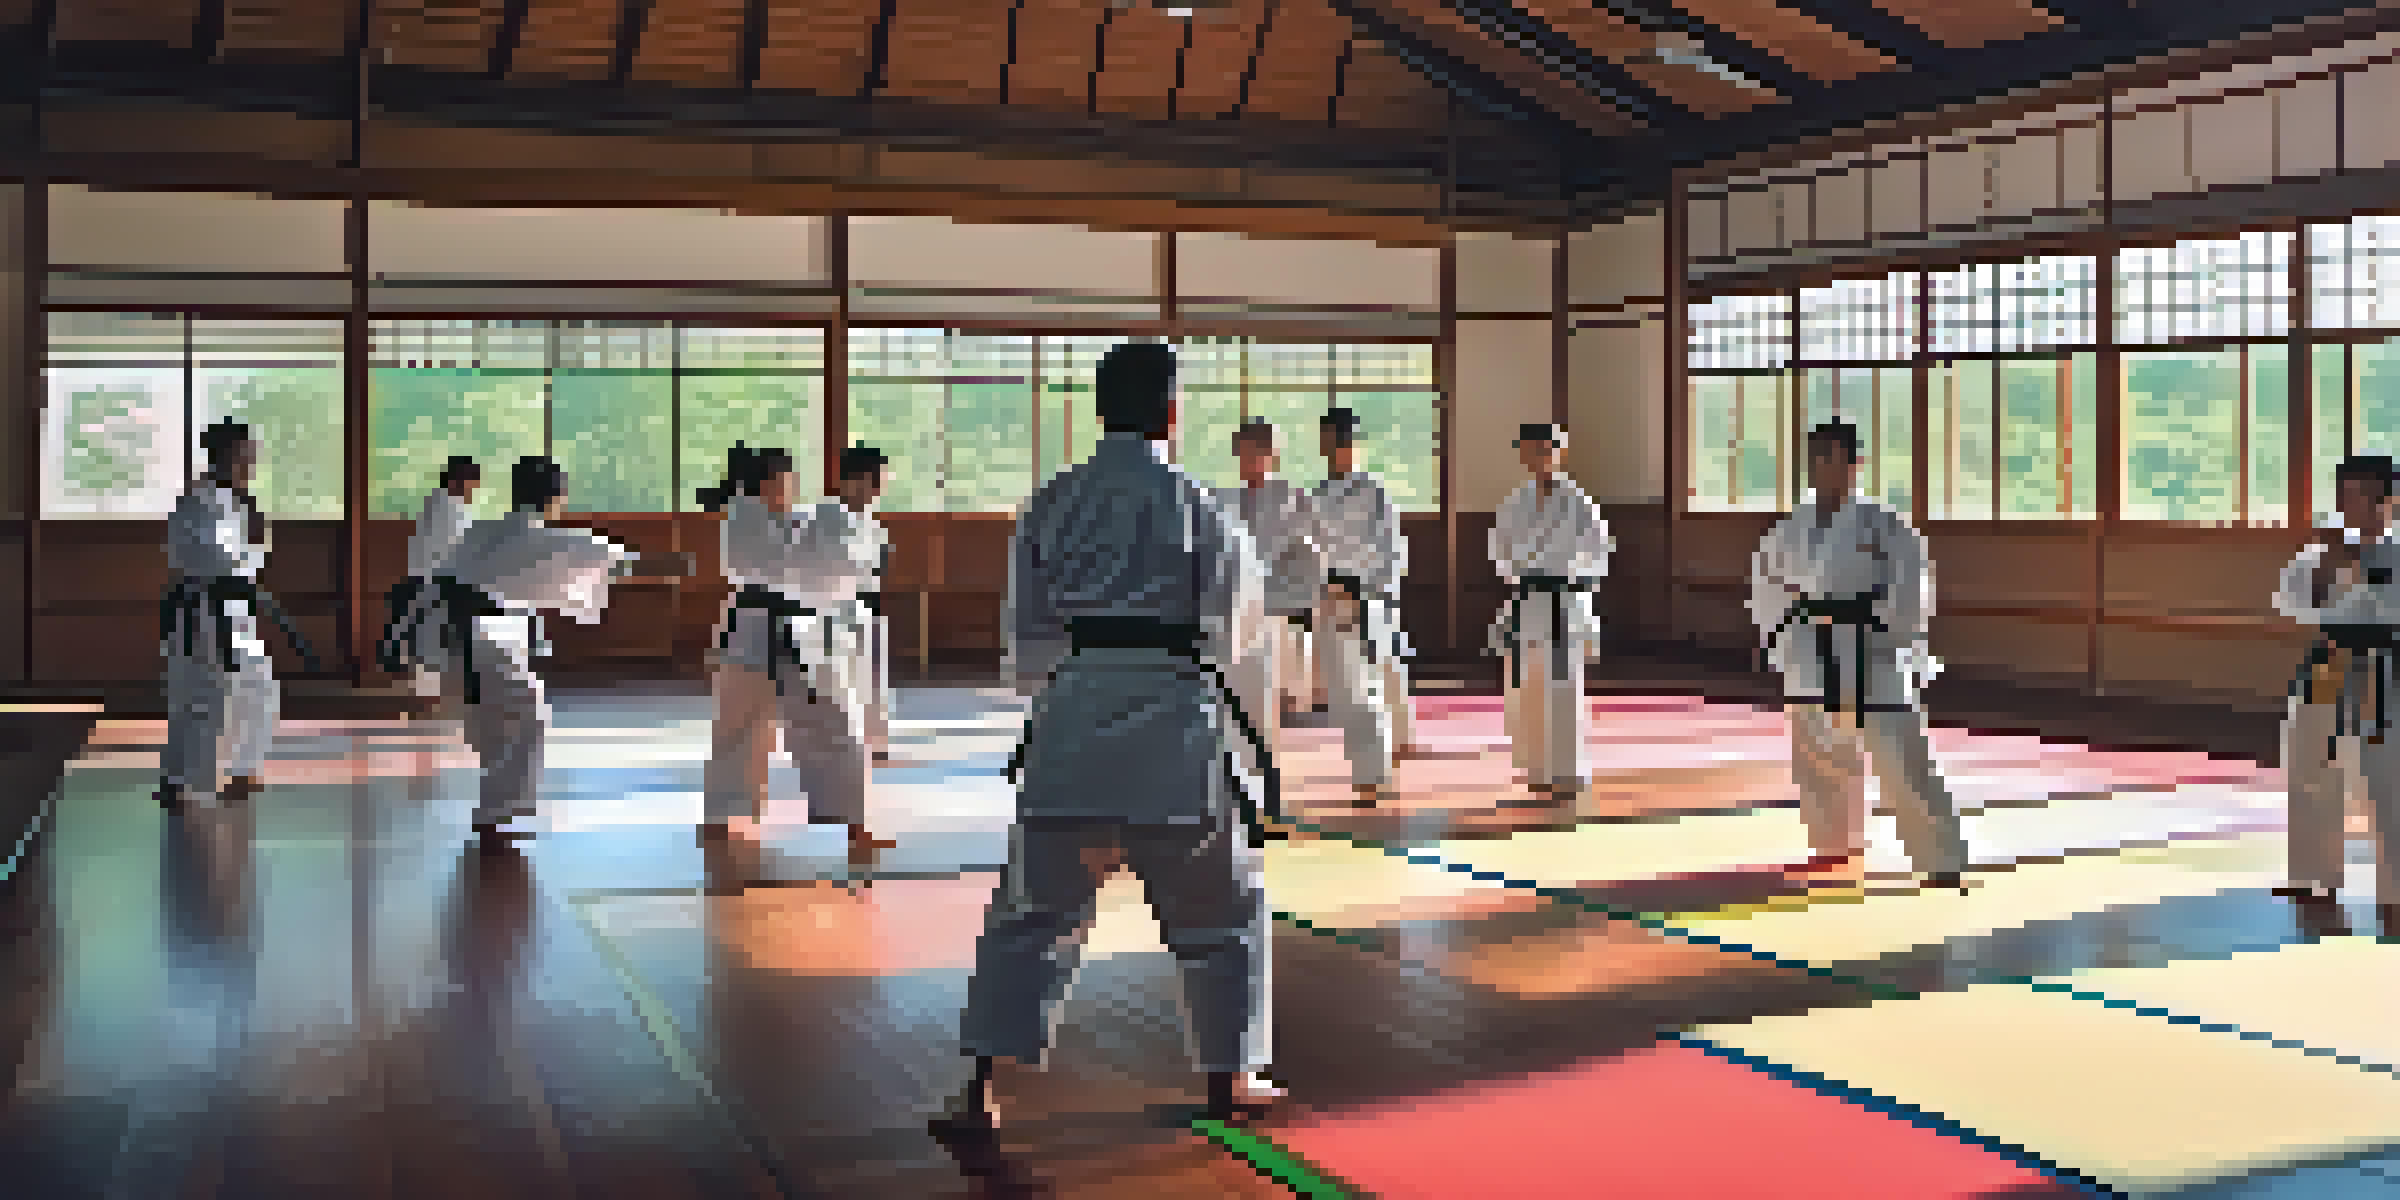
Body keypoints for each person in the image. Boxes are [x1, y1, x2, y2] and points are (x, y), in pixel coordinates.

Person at [934, 342, 1281, 1167]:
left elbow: (1026, 641)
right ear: (1171, 412)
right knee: (1221, 917)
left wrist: (1079, 676)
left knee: (1030, 919)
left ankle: (977, 1087)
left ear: (1100, 410)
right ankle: (1229, 1075)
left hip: (1075, 721)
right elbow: (1233, 629)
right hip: (1173, 727)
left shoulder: (1053, 502)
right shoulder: (1200, 505)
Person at [419, 456, 690, 843]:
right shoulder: (538, 536)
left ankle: (496, 808)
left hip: (451, 636)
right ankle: (496, 810)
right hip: (479, 637)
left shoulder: (484, 529)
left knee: (498, 720)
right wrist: (665, 563)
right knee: (528, 713)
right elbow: (602, 557)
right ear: (555, 496)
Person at [1749, 420, 1966, 891]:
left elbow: (1912, 587)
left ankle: (1940, 853)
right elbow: (1766, 586)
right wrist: (1783, 635)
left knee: (1900, 754)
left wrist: (1892, 633)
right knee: (1818, 749)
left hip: (1872, 646)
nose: (1823, 467)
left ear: (1854, 462)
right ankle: (1834, 838)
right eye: (1816, 458)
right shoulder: (1790, 527)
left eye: (1832, 457)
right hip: (1809, 644)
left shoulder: (1884, 522)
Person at [698, 442, 894, 863]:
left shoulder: (778, 518)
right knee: (808, 725)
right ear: (772, 481)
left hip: (771, 630)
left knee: (766, 726)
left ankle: (852, 826)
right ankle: (722, 817)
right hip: (772, 628)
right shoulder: (750, 517)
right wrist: (853, 540)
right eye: (789, 479)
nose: (793, 488)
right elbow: (811, 567)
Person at [2273, 454, 2400, 916]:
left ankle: (2395, 886)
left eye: (2361, 496)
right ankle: (2313, 875)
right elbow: (2291, 600)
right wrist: (2332, 561)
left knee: (2386, 779)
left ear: (2388, 501)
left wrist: (2359, 566)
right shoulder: (2325, 547)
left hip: (2385, 666)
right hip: (2329, 663)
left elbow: (2388, 605)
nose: (2350, 505)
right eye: (2344, 495)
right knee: (2311, 768)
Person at [159, 419, 287, 805]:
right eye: (245, 456)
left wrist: (255, 543)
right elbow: (209, 560)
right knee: (204, 695)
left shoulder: (239, 502)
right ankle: (184, 779)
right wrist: (248, 552)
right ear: (224, 456)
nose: (251, 464)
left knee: (257, 687)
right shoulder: (197, 500)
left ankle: (243, 769)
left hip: (234, 608)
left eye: (252, 457)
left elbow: (248, 562)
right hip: (204, 608)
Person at [1490, 423, 1612, 800]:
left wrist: (1564, 577)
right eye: (1533, 450)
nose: (1540, 457)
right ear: (1523, 455)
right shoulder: (1513, 503)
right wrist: (1525, 576)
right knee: (1527, 687)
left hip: (1565, 603)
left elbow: (1599, 556)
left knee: (1564, 687)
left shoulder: (1580, 503)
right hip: (1528, 603)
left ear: (1560, 453)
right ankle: (1537, 767)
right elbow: (1500, 553)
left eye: (1548, 449)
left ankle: (1569, 769)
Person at [1314, 406, 1420, 806]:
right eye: (1329, 440)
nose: (1336, 448)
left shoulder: (1374, 493)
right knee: (1345, 691)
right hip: (1329, 599)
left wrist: (1362, 587)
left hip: (1367, 599)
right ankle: (1368, 765)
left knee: (1367, 686)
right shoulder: (1317, 495)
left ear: (1355, 444)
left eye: (1342, 440)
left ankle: (1374, 774)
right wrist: (1323, 586)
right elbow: (1311, 550)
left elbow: (1392, 552)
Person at [1215, 418, 1327, 748]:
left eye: (1259, 451)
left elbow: (1311, 547)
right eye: (1244, 451)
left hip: (1279, 596)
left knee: (1274, 678)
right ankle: (1242, 749)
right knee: (1239, 680)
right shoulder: (1222, 497)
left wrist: (1304, 597)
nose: (1250, 459)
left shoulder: (1292, 496)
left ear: (1273, 454)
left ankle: (1268, 750)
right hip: (1235, 599)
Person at [379, 455, 481, 700]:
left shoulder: (438, 504)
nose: (475, 490)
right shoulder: (449, 509)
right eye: (473, 483)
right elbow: (465, 548)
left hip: (428, 581)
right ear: (460, 480)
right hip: (437, 584)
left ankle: (446, 689)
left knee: (428, 644)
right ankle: (465, 688)